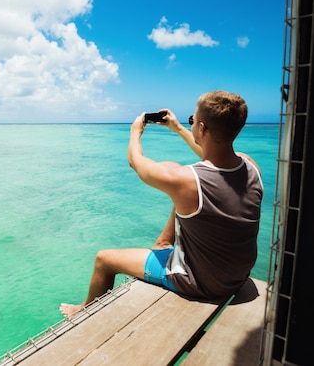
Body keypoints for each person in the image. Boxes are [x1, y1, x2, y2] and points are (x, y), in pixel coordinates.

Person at [60, 90, 263, 317]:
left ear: (202, 129)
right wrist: (178, 129)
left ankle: (83, 311)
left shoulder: (185, 181)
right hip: (237, 276)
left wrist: (135, 133)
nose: (191, 124)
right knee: (184, 199)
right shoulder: (251, 166)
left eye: (192, 121)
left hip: (202, 284)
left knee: (103, 260)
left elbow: (135, 162)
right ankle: (163, 243)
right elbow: (214, 153)